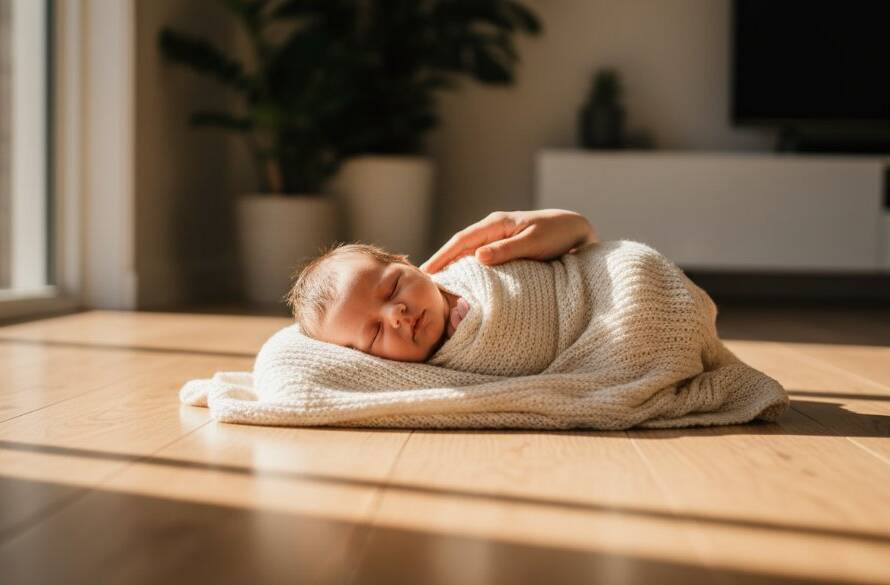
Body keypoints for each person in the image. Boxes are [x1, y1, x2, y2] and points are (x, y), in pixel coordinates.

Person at [285, 209, 598, 363]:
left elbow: (573, 262)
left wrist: (574, 226)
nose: (396, 314)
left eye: (394, 287)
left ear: (406, 263)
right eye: (375, 333)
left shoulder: (471, 266)